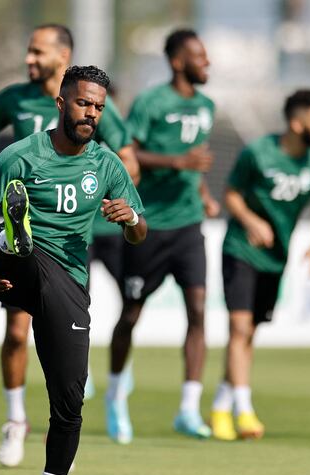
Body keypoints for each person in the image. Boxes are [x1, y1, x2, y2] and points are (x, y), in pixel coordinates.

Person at [0, 23, 139, 467]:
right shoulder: (16, 102)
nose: (29, 59)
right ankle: (16, 420)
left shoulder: (99, 110)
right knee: (16, 330)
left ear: (62, 55)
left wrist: (121, 203)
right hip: (31, 237)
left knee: (79, 324)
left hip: (80, 232)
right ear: (62, 101)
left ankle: (83, 386)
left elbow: (127, 158)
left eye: (37, 52)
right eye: (28, 51)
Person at [0, 64, 145, 475]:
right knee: (14, 240)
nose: (91, 114)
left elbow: (140, 232)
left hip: (67, 286)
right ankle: (9, 240)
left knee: (69, 405)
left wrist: (130, 220)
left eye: (99, 107)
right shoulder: (22, 155)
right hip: (16, 272)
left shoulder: (105, 164)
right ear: (60, 103)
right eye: (83, 103)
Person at [107, 29, 220, 444]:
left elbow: (198, 160)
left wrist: (205, 195)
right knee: (132, 313)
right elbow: (128, 152)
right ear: (177, 61)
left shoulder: (207, 106)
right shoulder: (152, 102)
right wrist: (176, 161)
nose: (207, 63)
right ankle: (116, 394)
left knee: (199, 309)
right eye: (200, 56)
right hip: (148, 223)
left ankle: (189, 409)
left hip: (189, 223)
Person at [211, 89, 310, 441]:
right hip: (241, 248)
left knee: (249, 333)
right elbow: (232, 194)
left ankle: (221, 406)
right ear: (297, 124)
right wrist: (251, 221)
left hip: (276, 257)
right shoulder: (259, 152)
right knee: (239, 329)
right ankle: (245, 411)